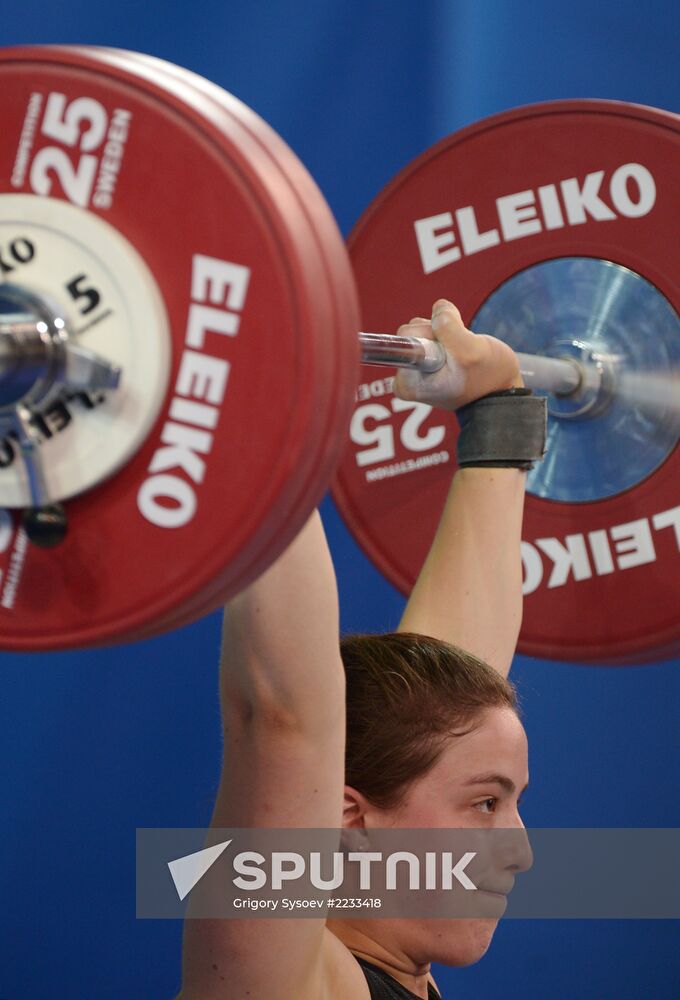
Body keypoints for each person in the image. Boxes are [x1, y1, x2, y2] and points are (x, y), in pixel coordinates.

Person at [179, 299, 545, 1000]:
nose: (521, 850)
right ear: (349, 819)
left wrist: (498, 413)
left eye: (510, 802)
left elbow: (450, 695)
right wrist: (254, 389)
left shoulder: (400, 966)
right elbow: (285, 719)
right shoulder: (289, 982)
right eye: (485, 805)